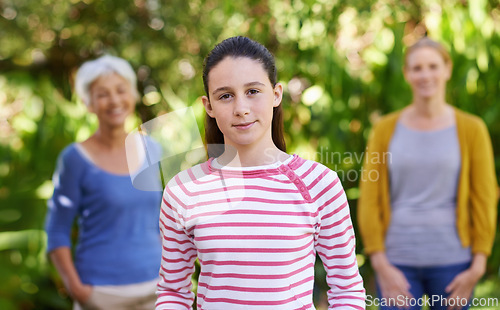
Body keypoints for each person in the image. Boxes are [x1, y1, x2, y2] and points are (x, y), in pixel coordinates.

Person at [155, 36, 366, 309]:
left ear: (276, 94)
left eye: (253, 91)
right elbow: (173, 292)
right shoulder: (183, 189)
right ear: (209, 106)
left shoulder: (319, 184)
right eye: (225, 96)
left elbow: (347, 288)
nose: (241, 109)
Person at [358, 37, 497, 310]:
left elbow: (485, 197)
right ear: (407, 73)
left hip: (453, 265)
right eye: (417, 68)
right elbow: (370, 197)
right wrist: (380, 264)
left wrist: (477, 267)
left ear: (447, 69)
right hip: (396, 264)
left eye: (433, 66)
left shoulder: (472, 129)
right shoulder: (384, 130)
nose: (425, 75)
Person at [45, 55, 162, 310]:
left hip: (156, 290)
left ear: (132, 94)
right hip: (99, 293)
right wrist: (79, 291)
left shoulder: (153, 149)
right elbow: (56, 231)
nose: (115, 100)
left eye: (121, 90)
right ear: (88, 103)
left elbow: (163, 220)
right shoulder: (74, 159)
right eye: (102, 94)